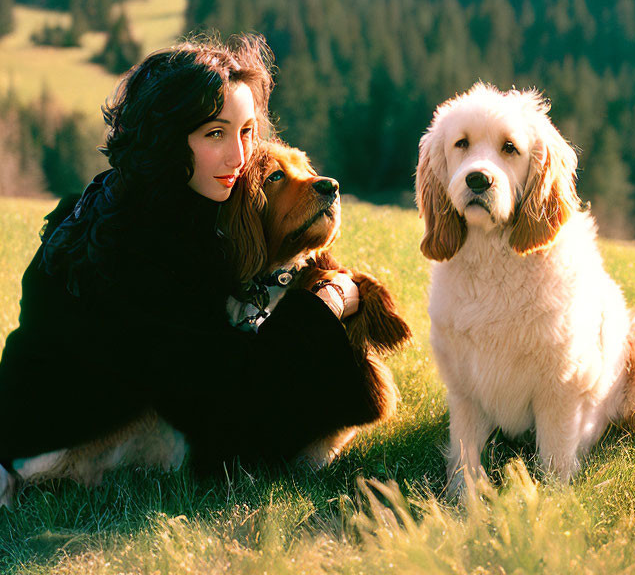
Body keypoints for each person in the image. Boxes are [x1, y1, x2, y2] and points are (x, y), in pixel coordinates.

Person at [0, 35, 374, 498]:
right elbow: (231, 390)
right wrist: (326, 304)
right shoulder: (141, 248)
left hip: (42, 416)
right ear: (168, 137)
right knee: (278, 435)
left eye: (247, 132)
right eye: (214, 134)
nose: (239, 158)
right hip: (63, 443)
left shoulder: (124, 198)